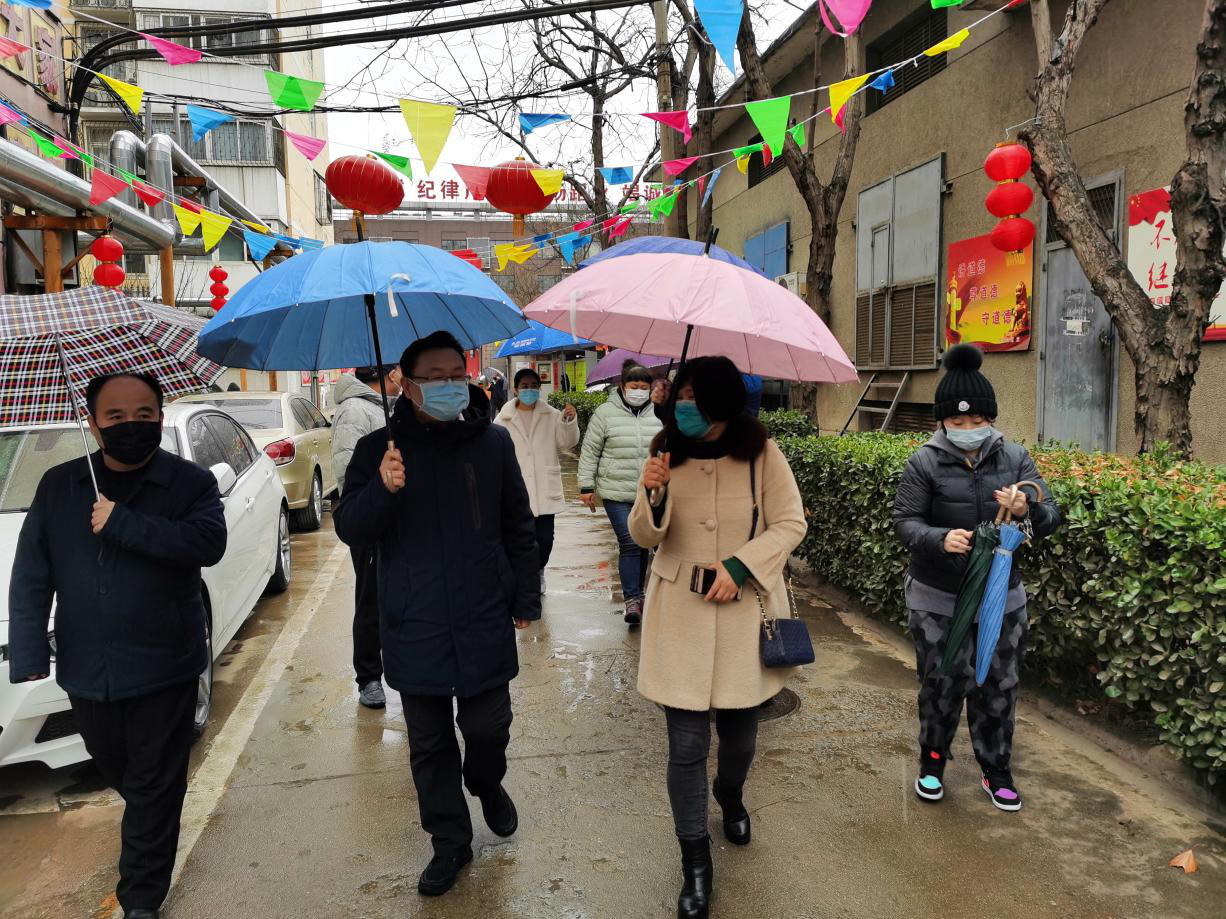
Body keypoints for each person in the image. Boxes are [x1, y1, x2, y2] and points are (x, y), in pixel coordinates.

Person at [8, 372, 227, 919]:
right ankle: (154, 823)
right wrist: (30, 651)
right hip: (88, 668)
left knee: (153, 783)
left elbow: (207, 543)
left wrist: (124, 523)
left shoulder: (189, 483)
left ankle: (140, 899)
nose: (132, 426)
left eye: (144, 415)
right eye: (116, 418)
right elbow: (32, 571)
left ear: (159, 415)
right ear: (93, 423)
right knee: (121, 772)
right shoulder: (59, 486)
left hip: (164, 665)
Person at [333, 331, 540, 898]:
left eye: (458, 373)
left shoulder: (493, 444)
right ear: (406, 383)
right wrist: (382, 489)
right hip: (412, 619)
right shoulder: (379, 450)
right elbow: (351, 527)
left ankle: (487, 784)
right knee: (429, 746)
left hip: (483, 615)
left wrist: (525, 597)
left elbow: (519, 525)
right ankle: (450, 843)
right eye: (436, 376)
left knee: (487, 729)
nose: (451, 384)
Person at [629, 357, 806, 919]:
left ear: (722, 401)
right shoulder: (664, 449)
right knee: (685, 747)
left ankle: (729, 793)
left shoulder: (762, 453)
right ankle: (696, 866)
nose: (680, 404)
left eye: (692, 396)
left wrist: (742, 565)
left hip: (740, 617)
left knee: (740, 738)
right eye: (676, 394)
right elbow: (642, 534)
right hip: (678, 610)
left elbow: (790, 522)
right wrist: (652, 496)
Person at [892, 343, 1060, 813]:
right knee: (941, 682)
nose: (968, 430)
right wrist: (939, 539)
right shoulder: (924, 462)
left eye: (978, 421)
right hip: (938, 598)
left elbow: (1051, 515)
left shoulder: (1016, 457)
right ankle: (932, 761)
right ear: (942, 421)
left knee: (998, 685)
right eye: (957, 422)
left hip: (1000, 599)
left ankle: (996, 769)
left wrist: (1030, 508)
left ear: (991, 418)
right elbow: (905, 521)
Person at [331, 365, 400, 709]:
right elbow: (347, 470)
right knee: (370, 599)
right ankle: (369, 676)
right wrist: (365, 508)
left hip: (390, 514)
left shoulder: (381, 406)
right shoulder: (355, 410)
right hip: (367, 517)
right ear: (388, 376)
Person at [577, 360, 663, 625]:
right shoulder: (604, 413)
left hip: (650, 493)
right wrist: (586, 486)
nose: (639, 391)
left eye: (643, 387)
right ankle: (632, 601)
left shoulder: (660, 414)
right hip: (616, 491)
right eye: (633, 386)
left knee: (646, 544)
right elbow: (590, 450)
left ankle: (641, 594)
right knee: (629, 542)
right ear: (622, 387)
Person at [494, 367, 579, 595]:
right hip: (516, 488)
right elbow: (495, 449)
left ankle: (538, 569)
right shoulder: (503, 418)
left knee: (545, 540)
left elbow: (565, 443)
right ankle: (526, 577)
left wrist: (568, 421)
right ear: (515, 389)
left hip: (544, 487)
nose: (529, 390)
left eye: (533, 386)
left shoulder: (551, 414)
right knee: (520, 538)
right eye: (524, 386)